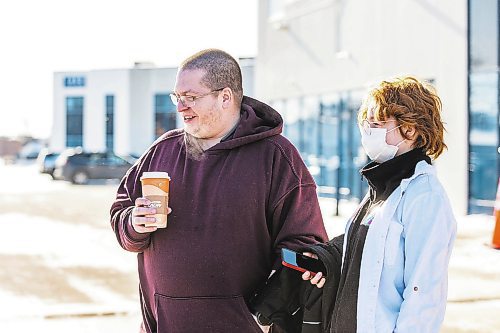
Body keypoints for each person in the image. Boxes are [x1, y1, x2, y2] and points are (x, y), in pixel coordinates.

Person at [110, 49, 328, 333]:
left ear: (225, 97)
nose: (180, 107)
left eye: (191, 97)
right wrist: (133, 223)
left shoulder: (275, 156)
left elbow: (303, 245)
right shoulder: (162, 151)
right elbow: (121, 212)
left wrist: (265, 314)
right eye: (177, 97)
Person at [302, 76, 457, 332]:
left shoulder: (425, 197)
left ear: (411, 129)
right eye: (367, 123)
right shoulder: (382, 188)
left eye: (378, 123)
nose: (368, 131)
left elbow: (424, 293)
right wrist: (324, 259)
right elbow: (363, 255)